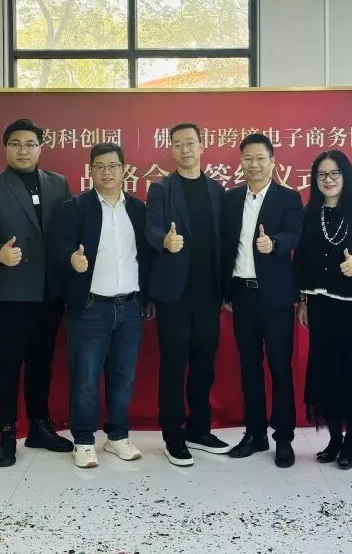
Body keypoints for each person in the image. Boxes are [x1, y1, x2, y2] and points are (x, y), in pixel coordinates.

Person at [0, 118, 73, 467]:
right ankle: (7, 432)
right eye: (15, 143)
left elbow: (67, 230)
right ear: (6, 148)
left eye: (30, 144)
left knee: (41, 364)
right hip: (11, 290)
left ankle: (39, 426)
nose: (23, 150)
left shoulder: (58, 183)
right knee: (8, 365)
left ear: (40, 148)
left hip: (49, 291)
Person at [47, 143, 153, 468]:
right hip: (91, 308)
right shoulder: (74, 208)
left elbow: (147, 257)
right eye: (100, 166)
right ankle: (83, 440)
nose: (107, 172)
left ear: (124, 170)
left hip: (130, 307)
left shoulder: (139, 209)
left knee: (124, 378)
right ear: (90, 170)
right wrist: (72, 260)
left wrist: (148, 299)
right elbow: (57, 249)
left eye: (113, 166)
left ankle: (117, 436)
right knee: (85, 378)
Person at [146, 122, 230, 466]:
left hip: (209, 293)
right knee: (173, 365)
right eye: (178, 144)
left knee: (204, 365)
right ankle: (172, 434)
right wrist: (164, 241)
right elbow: (150, 228)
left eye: (191, 143)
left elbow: (225, 238)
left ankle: (199, 428)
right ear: (172, 149)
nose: (185, 149)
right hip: (174, 295)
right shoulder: (161, 189)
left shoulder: (216, 190)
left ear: (201, 146)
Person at [294, 150, 352, 470]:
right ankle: (333, 439)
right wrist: (303, 301)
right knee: (325, 371)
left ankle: (351, 441)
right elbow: (301, 259)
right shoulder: (309, 214)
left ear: (346, 176)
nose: (328, 180)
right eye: (322, 175)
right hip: (320, 304)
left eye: (334, 174)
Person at [220, 133, 303, 468]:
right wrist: (227, 291)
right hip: (243, 295)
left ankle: (284, 437)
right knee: (249, 367)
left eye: (260, 158)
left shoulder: (288, 197)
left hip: (276, 297)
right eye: (248, 159)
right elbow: (226, 246)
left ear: (272, 162)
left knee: (280, 367)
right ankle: (255, 434)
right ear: (241, 162)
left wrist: (275, 244)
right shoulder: (231, 199)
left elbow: (295, 234)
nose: (253, 165)